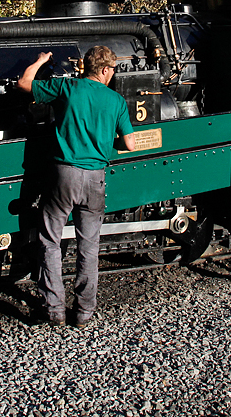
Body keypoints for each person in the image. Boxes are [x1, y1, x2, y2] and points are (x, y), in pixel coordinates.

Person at [17, 46, 136, 327]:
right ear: (105, 70)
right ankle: (83, 312)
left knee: (50, 240)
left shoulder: (67, 87)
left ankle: (54, 310)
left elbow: (24, 84)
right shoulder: (116, 100)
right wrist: (108, 144)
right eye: (113, 70)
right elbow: (129, 144)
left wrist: (40, 61)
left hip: (63, 175)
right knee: (89, 245)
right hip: (95, 176)